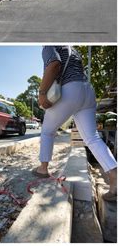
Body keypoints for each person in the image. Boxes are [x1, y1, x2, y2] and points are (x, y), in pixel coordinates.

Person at [33, 46, 117, 202]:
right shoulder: (73, 49)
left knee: (47, 131)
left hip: (69, 89)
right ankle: (115, 176)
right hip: (87, 91)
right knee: (92, 138)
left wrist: (42, 93)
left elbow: (54, 64)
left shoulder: (49, 45)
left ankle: (43, 169)